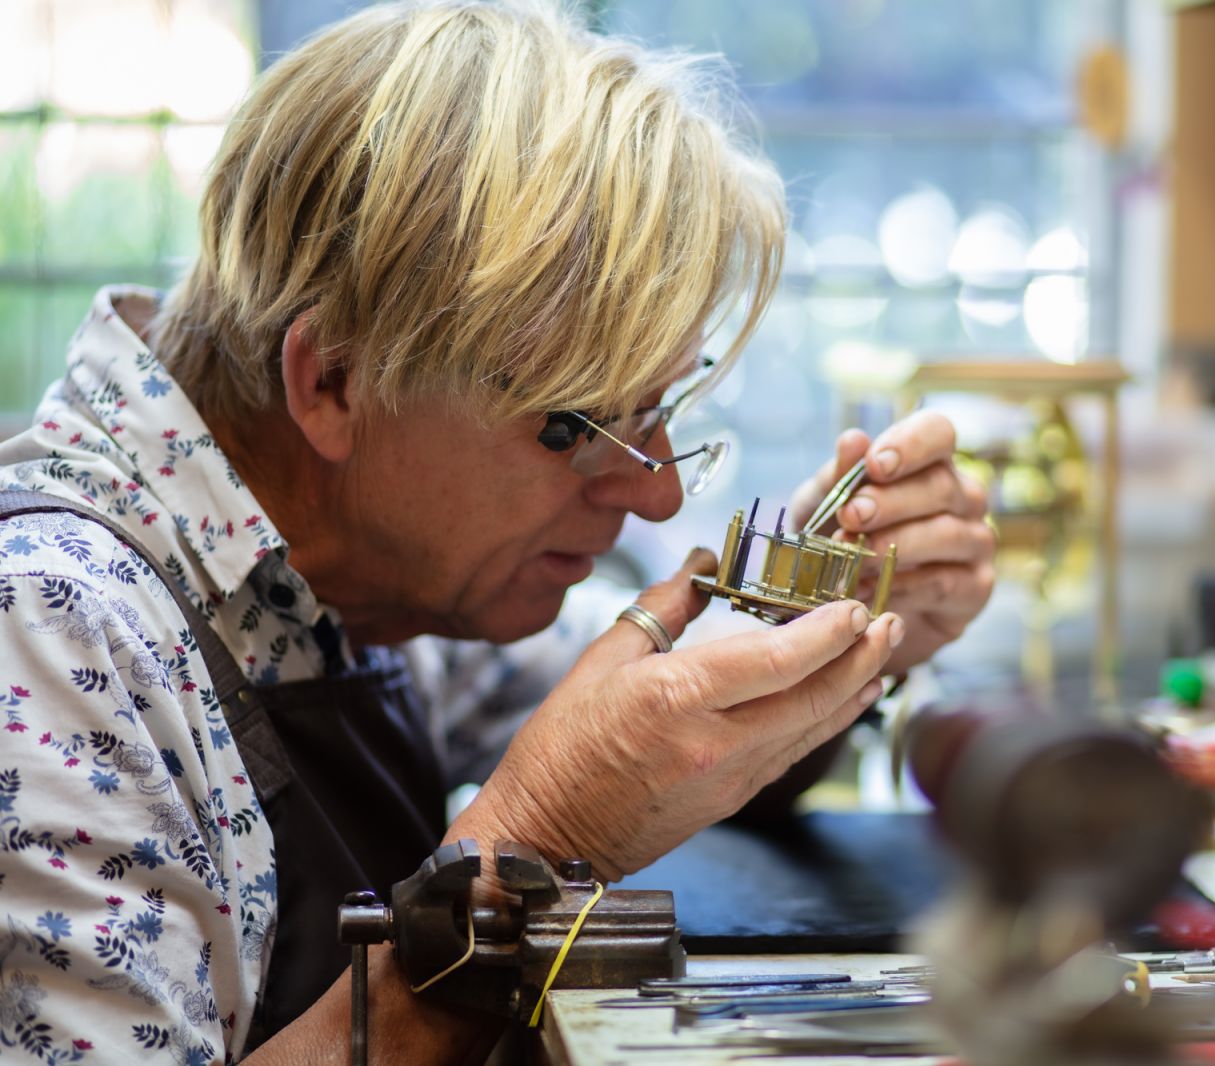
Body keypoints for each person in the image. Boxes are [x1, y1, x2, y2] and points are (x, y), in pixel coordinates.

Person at [0, 1, 996, 1062]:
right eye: (575, 426)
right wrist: (532, 847)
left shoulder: (348, 569)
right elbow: (571, 791)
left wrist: (828, 615)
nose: (656, 499)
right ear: (333, 378)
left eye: (660, 410)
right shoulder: (52, 632)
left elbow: (660, 751)